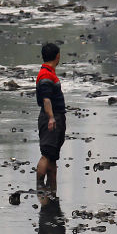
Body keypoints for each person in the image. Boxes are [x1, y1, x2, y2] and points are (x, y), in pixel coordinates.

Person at [35, 42, 66, 191]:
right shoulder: (46, 75)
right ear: (57, 56)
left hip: (55, 116)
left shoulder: (48, 72)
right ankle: (40, 188)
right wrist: (52, 118)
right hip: (51, 118)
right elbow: (46, 100)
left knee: (53, 155)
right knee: (47, 154)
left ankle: (52, 190)